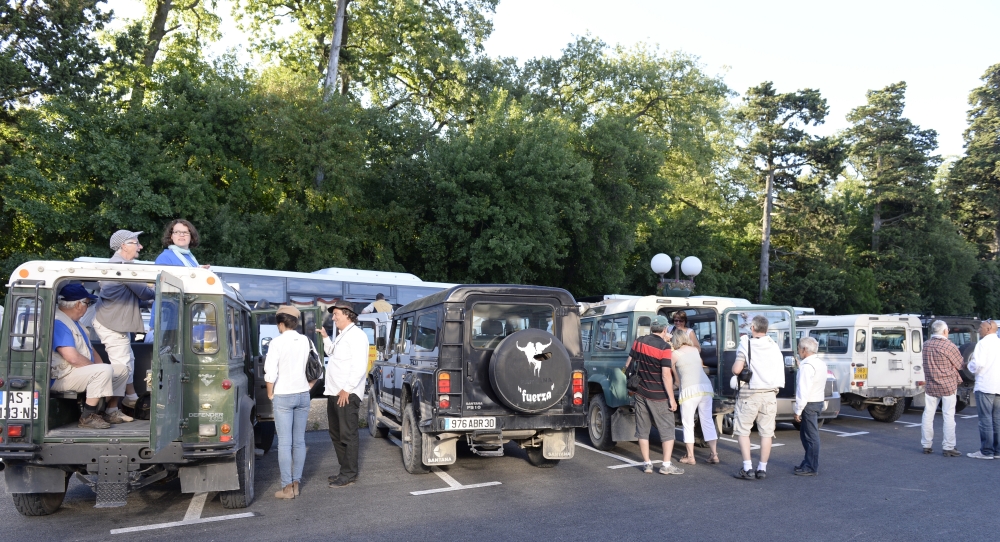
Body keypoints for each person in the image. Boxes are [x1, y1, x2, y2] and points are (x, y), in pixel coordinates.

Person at [92, 230, 154, 423]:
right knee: (122, 367)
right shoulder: (122, 267)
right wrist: (159, 287)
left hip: (113, 322)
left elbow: (133, 297)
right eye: (136, 242)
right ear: (123, 246)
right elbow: (144, 293)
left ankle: (131, 398)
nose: (140, 246)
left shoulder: (118, 265)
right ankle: (112, 410)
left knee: (129, 361)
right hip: (113, 324)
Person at [50, 283, 129, 429]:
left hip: (76, 371)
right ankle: (87, 417)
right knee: (103, 371)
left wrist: (102, 369)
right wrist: (100, 371)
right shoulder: (59, 322)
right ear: (78, 304)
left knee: (121, 369)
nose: (88, 307)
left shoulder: (75, 323)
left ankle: (110, 411)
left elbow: (91, 350)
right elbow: (72, 357)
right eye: (88, 303)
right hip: (62, 376)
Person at [264, 305, 314, 499]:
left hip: (283, 395)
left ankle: (286, 488)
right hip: (303, 394)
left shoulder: (276, 343)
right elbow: (316, 367)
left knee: (284, 443)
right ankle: (296, 484)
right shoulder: (305, 340)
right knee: (299, 441)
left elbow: (270, 372)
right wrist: (308, 387)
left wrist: (270, 394)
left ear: (281, 323)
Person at [624, 315, 682, 475]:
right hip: (659, 396)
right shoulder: (664, 348)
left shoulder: (639, 341)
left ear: (651, 328)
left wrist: (630, 383)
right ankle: (666, 465)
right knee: (667, 429)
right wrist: (671, 398)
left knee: (642, 429)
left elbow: (628, 365)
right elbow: (666, 375)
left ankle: (647, 464)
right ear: (665, 329)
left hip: (641, 392)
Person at [320, 299, 369, 487]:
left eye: (336, 315)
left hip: (346, 394)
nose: (333, 318)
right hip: (334, 392)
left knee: (348, 434)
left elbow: (359, 366)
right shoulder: (342, 335)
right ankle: (345, 470)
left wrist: (346, 389)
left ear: (347, 315)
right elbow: (331, 352)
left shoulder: (357, 335)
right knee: (336, 433)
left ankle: (349, 473)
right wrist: (325, 337)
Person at [731, 315, 785, 480]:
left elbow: (737, 369)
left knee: (743, 431)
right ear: (767, 329)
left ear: (752, 328)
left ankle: (748, 468)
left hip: (750, 393)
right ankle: (762, 468)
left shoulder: (746, 344)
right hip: (770, 394)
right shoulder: (774, 346)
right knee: (767, 433)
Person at [146, 219, 209, 343]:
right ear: (171, 236)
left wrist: (200, 273)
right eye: (177, 232)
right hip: (167, 318)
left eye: (185, 232)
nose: (181, 235)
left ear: (191, 236)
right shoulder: (165, 257)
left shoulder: (190, 257)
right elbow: (164, 288)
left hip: (182, 315)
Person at [670, 328, 719, 465]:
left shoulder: (675, 354)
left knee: (688, 423)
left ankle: (690, 456)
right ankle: (714, 454)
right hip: (705, 387)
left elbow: (672, 375)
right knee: (707, 421)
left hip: (689, 391)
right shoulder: (695, 351)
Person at [920, 320, 964, 457]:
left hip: (931, 384)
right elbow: (960, 365)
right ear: (945, 331)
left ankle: (926, 444)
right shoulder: (949, 346)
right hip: (948, 385)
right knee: (948, 415)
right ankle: (948, 446)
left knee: (928, 414)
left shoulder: (926, 345)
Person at [967, 319, 1000, 460]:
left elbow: (978, 364)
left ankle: (986, 451)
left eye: (981, 327)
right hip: (998, 385)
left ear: (988, 329)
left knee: (985, 419)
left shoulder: (982, 344)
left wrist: (969, 366)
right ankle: (998, 451)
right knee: (997, 419)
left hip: (985, 385)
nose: (978, 329)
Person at [793, 337, 826, 476]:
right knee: (807, 434)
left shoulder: (807, 367)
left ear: (804, 349)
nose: (799, 351)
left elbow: (803, 390)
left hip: (809, 403)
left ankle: (811, 466)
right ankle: (808, 462)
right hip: (818, 401)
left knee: (810, 436)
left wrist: (797, 410)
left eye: (800, 348)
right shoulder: (820, 363)